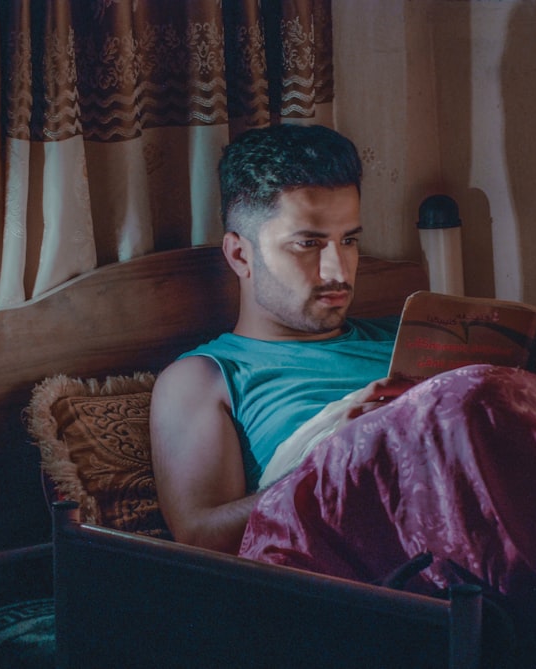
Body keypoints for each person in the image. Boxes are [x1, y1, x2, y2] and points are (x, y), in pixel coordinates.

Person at [150, 124, 413, 554]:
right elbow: (200, 537)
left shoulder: (410, 335)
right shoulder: (205, 378)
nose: (338, 271)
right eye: (307, 244)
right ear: (240, 255)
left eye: (348, 241)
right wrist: (334, 460)